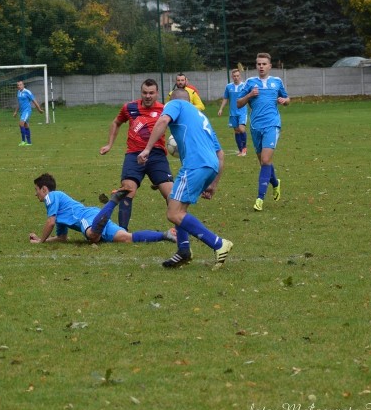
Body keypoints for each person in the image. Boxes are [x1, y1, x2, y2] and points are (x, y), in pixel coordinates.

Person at [138, 88, 233, 269]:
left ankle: (219, 244)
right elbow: (220, 154)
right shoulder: (201, 118)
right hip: (210, 165)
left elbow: (163, 120)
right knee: (179, 209)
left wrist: (147, 149)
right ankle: (183, 251)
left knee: (174, 213)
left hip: (195, 165)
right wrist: (214, 183)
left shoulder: (175, 104)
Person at [99, 79, 173, 230]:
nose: (148, 96)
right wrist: (109, 144)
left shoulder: (165, 109)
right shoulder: (129, 107)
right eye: (145, 92)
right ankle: (122, 232)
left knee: (171, 195)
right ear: (141, 93)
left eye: (151, 93)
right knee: (127, 190)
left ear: (157, 93)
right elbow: (116, 122)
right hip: (133, 155)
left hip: (157, 156)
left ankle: (179, 231)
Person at [28, 173, 176, 245]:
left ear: (45, 189)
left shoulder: (51, 196)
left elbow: (50, 222)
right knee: (126, 238)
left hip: (87, 218)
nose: (36, 194)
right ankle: (165, 235)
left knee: (93, 236)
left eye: (36, 190)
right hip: (97, 216)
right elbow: (62, 238)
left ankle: (113, 202)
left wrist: (41, 242)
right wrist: (44, 240)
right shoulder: (61, 211)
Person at [236, 52, 290, 212]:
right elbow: (238, 103)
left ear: (270, 66)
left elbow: (288, 100)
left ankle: (260, 198)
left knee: (266, 160)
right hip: (255, 127)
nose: (261, 66)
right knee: (264, 162)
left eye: (264, 64)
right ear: (256, 66)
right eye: (259, 64)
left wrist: (284, 100)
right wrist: (250, 95)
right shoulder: (250, 83)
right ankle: (275, 183)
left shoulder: (277, 82)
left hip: (272, 125)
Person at [218, 68, 248, 156]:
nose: (236, 77)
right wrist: (221, 109)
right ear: (232, 77)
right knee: (236, 131)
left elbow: (249, 97)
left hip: (242, 111)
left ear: (240, 76)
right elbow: (225, 98)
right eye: (234, 76)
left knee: (242, 129)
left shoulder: (244, 86)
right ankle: (240, 150)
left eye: (237, 76)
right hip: (233, 112)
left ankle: (244, 149)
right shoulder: (228, 87)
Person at [12, 80, 43, 146]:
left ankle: (23, 141)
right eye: (18, 85)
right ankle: (29, 142)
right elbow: (19, 103)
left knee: (21, 123)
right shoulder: (18, 92)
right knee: (26, 125)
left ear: (23, 85)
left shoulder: (27, 92)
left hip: (27, 110)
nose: (19, 86)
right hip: (22, 111)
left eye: (20, 85)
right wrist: (15, 112)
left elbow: (34, 101)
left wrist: (39, 109)